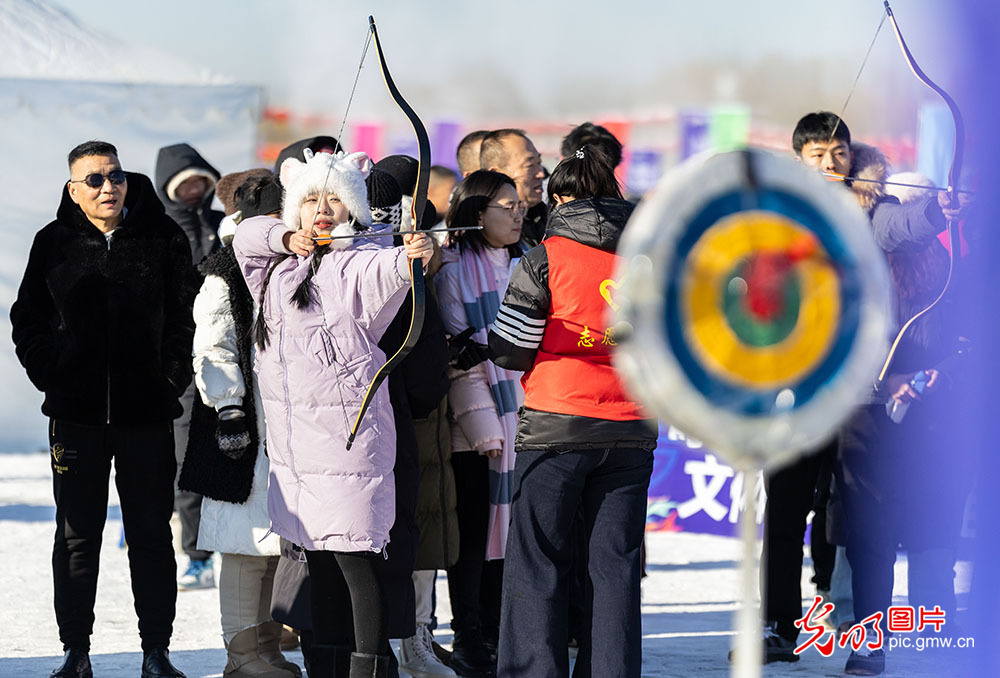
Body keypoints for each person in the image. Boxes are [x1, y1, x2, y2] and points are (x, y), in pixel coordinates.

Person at [233, 149, 434, 677]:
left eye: (335, 199)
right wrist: (284, 236)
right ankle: (326, 665)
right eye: (310, 200)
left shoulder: (359, 265)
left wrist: (415, 249)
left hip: (347, 449)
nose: (322, 209)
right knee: (319, 564)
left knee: (353, 562)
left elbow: (392, 263)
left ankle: (368, 666)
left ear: (353, 209)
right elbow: (246, 238)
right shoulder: (276, 270)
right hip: (297, 457)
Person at [11, 140, 198, 678]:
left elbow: (188, 316)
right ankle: (76, 651)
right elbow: (27, 317)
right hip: (76, 418)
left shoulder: (163, 237)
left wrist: (169, 379)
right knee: (76, 534)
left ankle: (155, 651)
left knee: (150, 535)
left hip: (147, 416)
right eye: (93, 179)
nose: (107, 187)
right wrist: (53, 373)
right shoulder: (53, 243)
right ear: (74, 189)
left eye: (114, 175)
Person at [793, 111, 970, 676]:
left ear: (852, 159)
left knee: (875, 516)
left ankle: (874, 638)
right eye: (817, 153)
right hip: (811, 386)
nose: (828, 163)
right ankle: (835, 621)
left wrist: (936, 211)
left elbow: (905, 226)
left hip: (876, 392)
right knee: (841, 514)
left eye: (837, 152)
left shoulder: (871, 213)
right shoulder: (784, 216)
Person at [488, 146, 658, 678]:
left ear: (559, 198)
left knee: (538, 561)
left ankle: (533, 670)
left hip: (556, 425)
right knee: (616, 566)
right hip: (632, 425)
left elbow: (510, 350)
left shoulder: (545, 257)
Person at [178, 169, 300, 678]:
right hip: (240, 427)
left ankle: (267, 646)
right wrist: (228, 408)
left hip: (286, 427)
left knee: (275, 543)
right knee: (242, 541)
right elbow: (212, 344)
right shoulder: (224, 270)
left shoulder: (291, 265)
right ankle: (241, 654)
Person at [435, 170, 526, 677]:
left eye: (519, 205)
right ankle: (468, 636)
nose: (517, 213)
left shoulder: (526, 263)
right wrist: (484, 426)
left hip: (524, 417)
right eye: (505, 205)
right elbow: (455, 354)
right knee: (473, 537)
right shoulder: (450, 269)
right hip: (473, 425)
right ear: (475, 213)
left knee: (509, 535)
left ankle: (496, 631)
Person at [155, 142, 226, 591]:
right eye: (186, 185)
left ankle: (232, 547)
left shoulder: (226, 226)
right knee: (183, 461)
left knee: (232, 449)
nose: (195, 191)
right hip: (180, 362)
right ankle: (196, 554)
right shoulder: (159, 232)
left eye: (201, 182)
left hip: (228, 360)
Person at [479, 129, 547, 247]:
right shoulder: (487, 238)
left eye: (539, 163)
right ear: (496, 173)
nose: (540, 174)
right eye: (529, 166)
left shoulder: (548, 217)